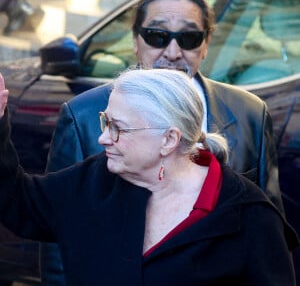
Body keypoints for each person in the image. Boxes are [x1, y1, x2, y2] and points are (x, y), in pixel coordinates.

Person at [41, 0, 285, 285]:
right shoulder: (82, 115)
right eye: (157, 36)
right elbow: (56, 234)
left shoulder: (250, 112)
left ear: (206, 43)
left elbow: (270, 232)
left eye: (189, 38)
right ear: (135, 40)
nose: (172, 52)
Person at [0, 69, 298, 286]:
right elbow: (18, 201)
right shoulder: (94, 179)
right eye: (105, 121)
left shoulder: (249, 218)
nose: (103, 138)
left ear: (169, 139)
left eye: (118, 127)